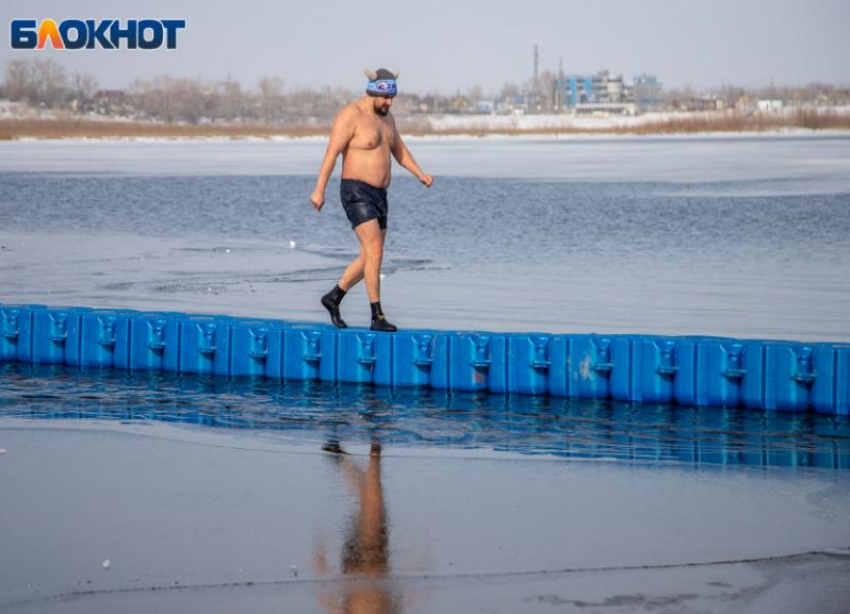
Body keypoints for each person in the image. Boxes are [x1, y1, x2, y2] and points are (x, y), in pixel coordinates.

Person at [311, 68, 433, 332]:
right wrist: (319, 189)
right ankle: (377, 316)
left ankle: (334, 297)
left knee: (370, 255)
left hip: (380, 195)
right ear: (373, 92)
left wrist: (420, 174)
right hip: (356, 191)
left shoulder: (387, 119)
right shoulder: (351, 115)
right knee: (374, 250)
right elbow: (331, 154)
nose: (389, 103)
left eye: (392, 98)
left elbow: (399, 150)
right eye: (386, 98)